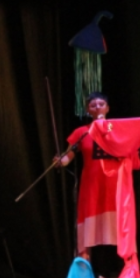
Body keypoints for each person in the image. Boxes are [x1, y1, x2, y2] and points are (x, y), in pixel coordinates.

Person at [59, 92, 118, 262]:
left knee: (110, 227)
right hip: (91, 185)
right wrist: (60, 162)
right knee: (92, 228)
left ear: (107, 108)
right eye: (93, 105)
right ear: (88, 110)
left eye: (101, 104)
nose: (97, 107)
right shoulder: (81, 132)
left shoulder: (116, 129)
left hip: (112, 184)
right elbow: (67, 157)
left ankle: (107, 273)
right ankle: (88, 270)